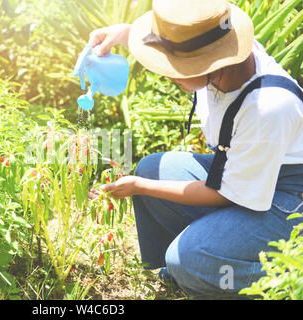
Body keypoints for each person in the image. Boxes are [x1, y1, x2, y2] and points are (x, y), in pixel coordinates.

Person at [89, 0, 303, 299]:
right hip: (247, 174)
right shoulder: (226, 54)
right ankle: (204, 260)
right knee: (154, 168)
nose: (167, 73)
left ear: (209, 65)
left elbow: (224, 193)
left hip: (289, 203)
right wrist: (125, 34)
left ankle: (289, 278)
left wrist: (140, 187)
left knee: (188, 259)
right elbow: (187, 41)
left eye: (172, 66)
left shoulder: (268, 108)